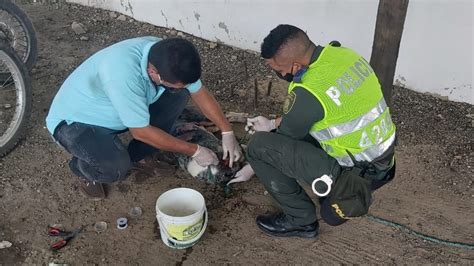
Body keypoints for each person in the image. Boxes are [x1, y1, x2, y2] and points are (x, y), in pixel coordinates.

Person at [243, 25, 396, 238]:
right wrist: (272, 123)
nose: (278, 73)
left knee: (259, 147)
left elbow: (283, 141)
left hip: (360, 175)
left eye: (277, 69)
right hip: (384, 157)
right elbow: (327, 108)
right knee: (301, 131)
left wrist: (254, 163)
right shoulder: (342, 55)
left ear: (295, 66)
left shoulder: (308, 90)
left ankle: (301, 222)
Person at [46, 36, 242, 200]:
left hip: (117, 111)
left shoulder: (167, 56)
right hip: (76, 124)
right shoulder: (122, 74)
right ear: (153, 72)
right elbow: (140, 132)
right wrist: (195, 151)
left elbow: (199, 91)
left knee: (179, 93)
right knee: (115, 168)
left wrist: (227, 130)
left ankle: (141, 154)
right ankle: (82, 166)